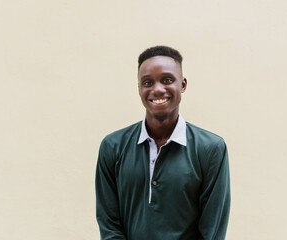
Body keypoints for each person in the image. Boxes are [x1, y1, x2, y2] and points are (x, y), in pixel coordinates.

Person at [95, 46, 230, 240]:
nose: (157, 89)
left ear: (182, 84)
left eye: (167, 80)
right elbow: (109, 225)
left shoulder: (211, 149)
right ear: (139, 88)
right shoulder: (113, 146)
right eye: (147, 82)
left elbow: (212, 231)